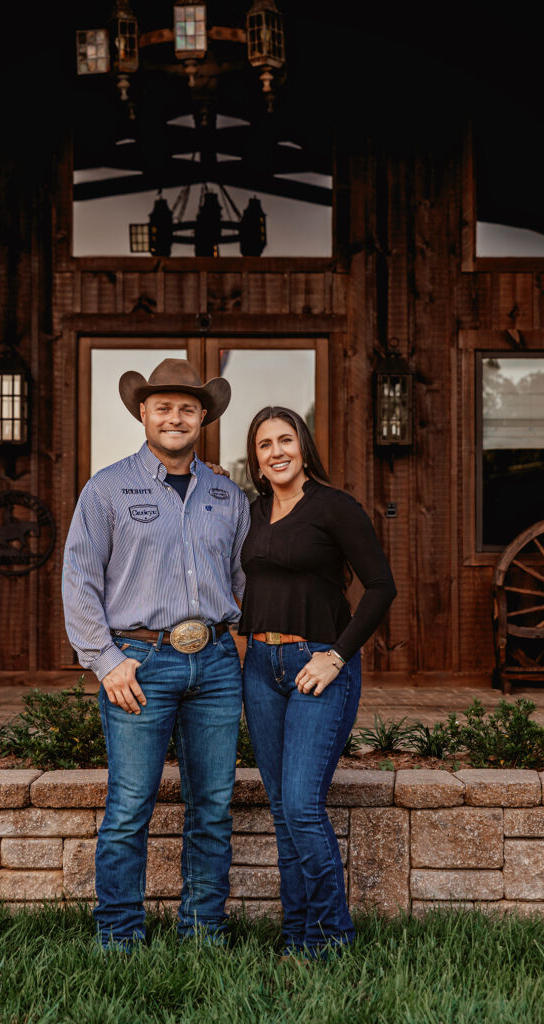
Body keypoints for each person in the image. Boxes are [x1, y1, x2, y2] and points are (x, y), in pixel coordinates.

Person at [62, 358, 250, 951]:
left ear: (203, 419)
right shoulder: (108, 488)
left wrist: (241, 650)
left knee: (213, 806)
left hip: (217, 664)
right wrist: (105, 659)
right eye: (163, 407)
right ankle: (118, 936)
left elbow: (243, 581)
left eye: (187, 409)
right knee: (129, 807)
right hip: (139, 664)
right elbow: (79, 580)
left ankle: (204, 932)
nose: (175, 417)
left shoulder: (227, 493)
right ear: (143, 413)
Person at [237, 406, 396, 959]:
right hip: (260, 667)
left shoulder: (334, 507)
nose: (276, 451)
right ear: (254, 459)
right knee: (282, 809)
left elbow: (380, 587)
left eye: (286, 439)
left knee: (302, 805)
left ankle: (331, 937)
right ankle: (296, 935)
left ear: (303, 447)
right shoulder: (252, 513)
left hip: (318, 667)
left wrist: (336, 656)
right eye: (264, 444)